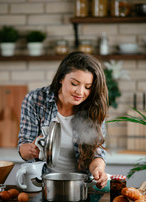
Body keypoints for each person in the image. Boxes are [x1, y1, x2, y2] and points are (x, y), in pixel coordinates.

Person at [18, 51, 108, 189]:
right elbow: (23, 149)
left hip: (79, 187)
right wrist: (31, 149)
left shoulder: (93, 108)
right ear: (61, 78)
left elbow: (96, 154)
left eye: (87, 87)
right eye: (74, 83)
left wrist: (98, 170)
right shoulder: (35, 100)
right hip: (42, 186)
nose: (80, 92)